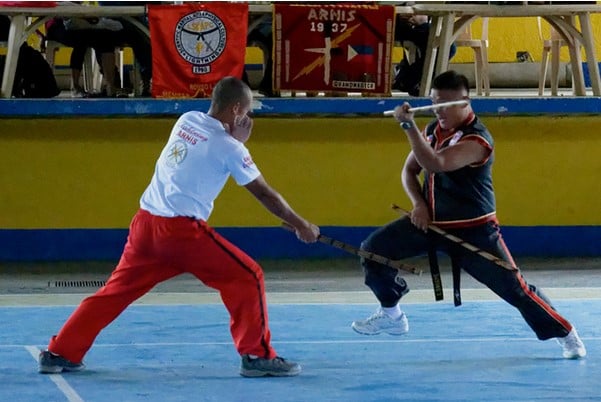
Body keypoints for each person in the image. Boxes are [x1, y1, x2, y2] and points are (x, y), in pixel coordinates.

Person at [38, 76, 321, 377]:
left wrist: (234, 141)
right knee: (248, 276)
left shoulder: (186, 120)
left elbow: (205, 153)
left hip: (145, 225)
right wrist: (301, 224)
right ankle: (257, 355)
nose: (249, 118)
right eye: (248, 111)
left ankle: (60, 352)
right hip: (180, 233)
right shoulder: (230, 148)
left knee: (113, 293)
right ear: (236, 109)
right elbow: (264, 192)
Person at [351, 70, 586, 360]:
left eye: (446, 105)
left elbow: (435, 163)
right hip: (430, 224)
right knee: (373, 250)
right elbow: (410, 170)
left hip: (474, 231)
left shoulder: (478, 141)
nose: (440, 112)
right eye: (435, 104)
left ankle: (564, 332)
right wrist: (419, 204)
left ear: (466, 102)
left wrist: (408, 127)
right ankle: (392, 314)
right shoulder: (432, 132)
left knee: (516, 289)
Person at [392, 12, 456, 96]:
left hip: (422, 20)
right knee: (446, 46)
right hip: (393, 21)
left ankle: (407, 78)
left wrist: (423, 15)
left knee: (447, 45)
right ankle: (409, 79)